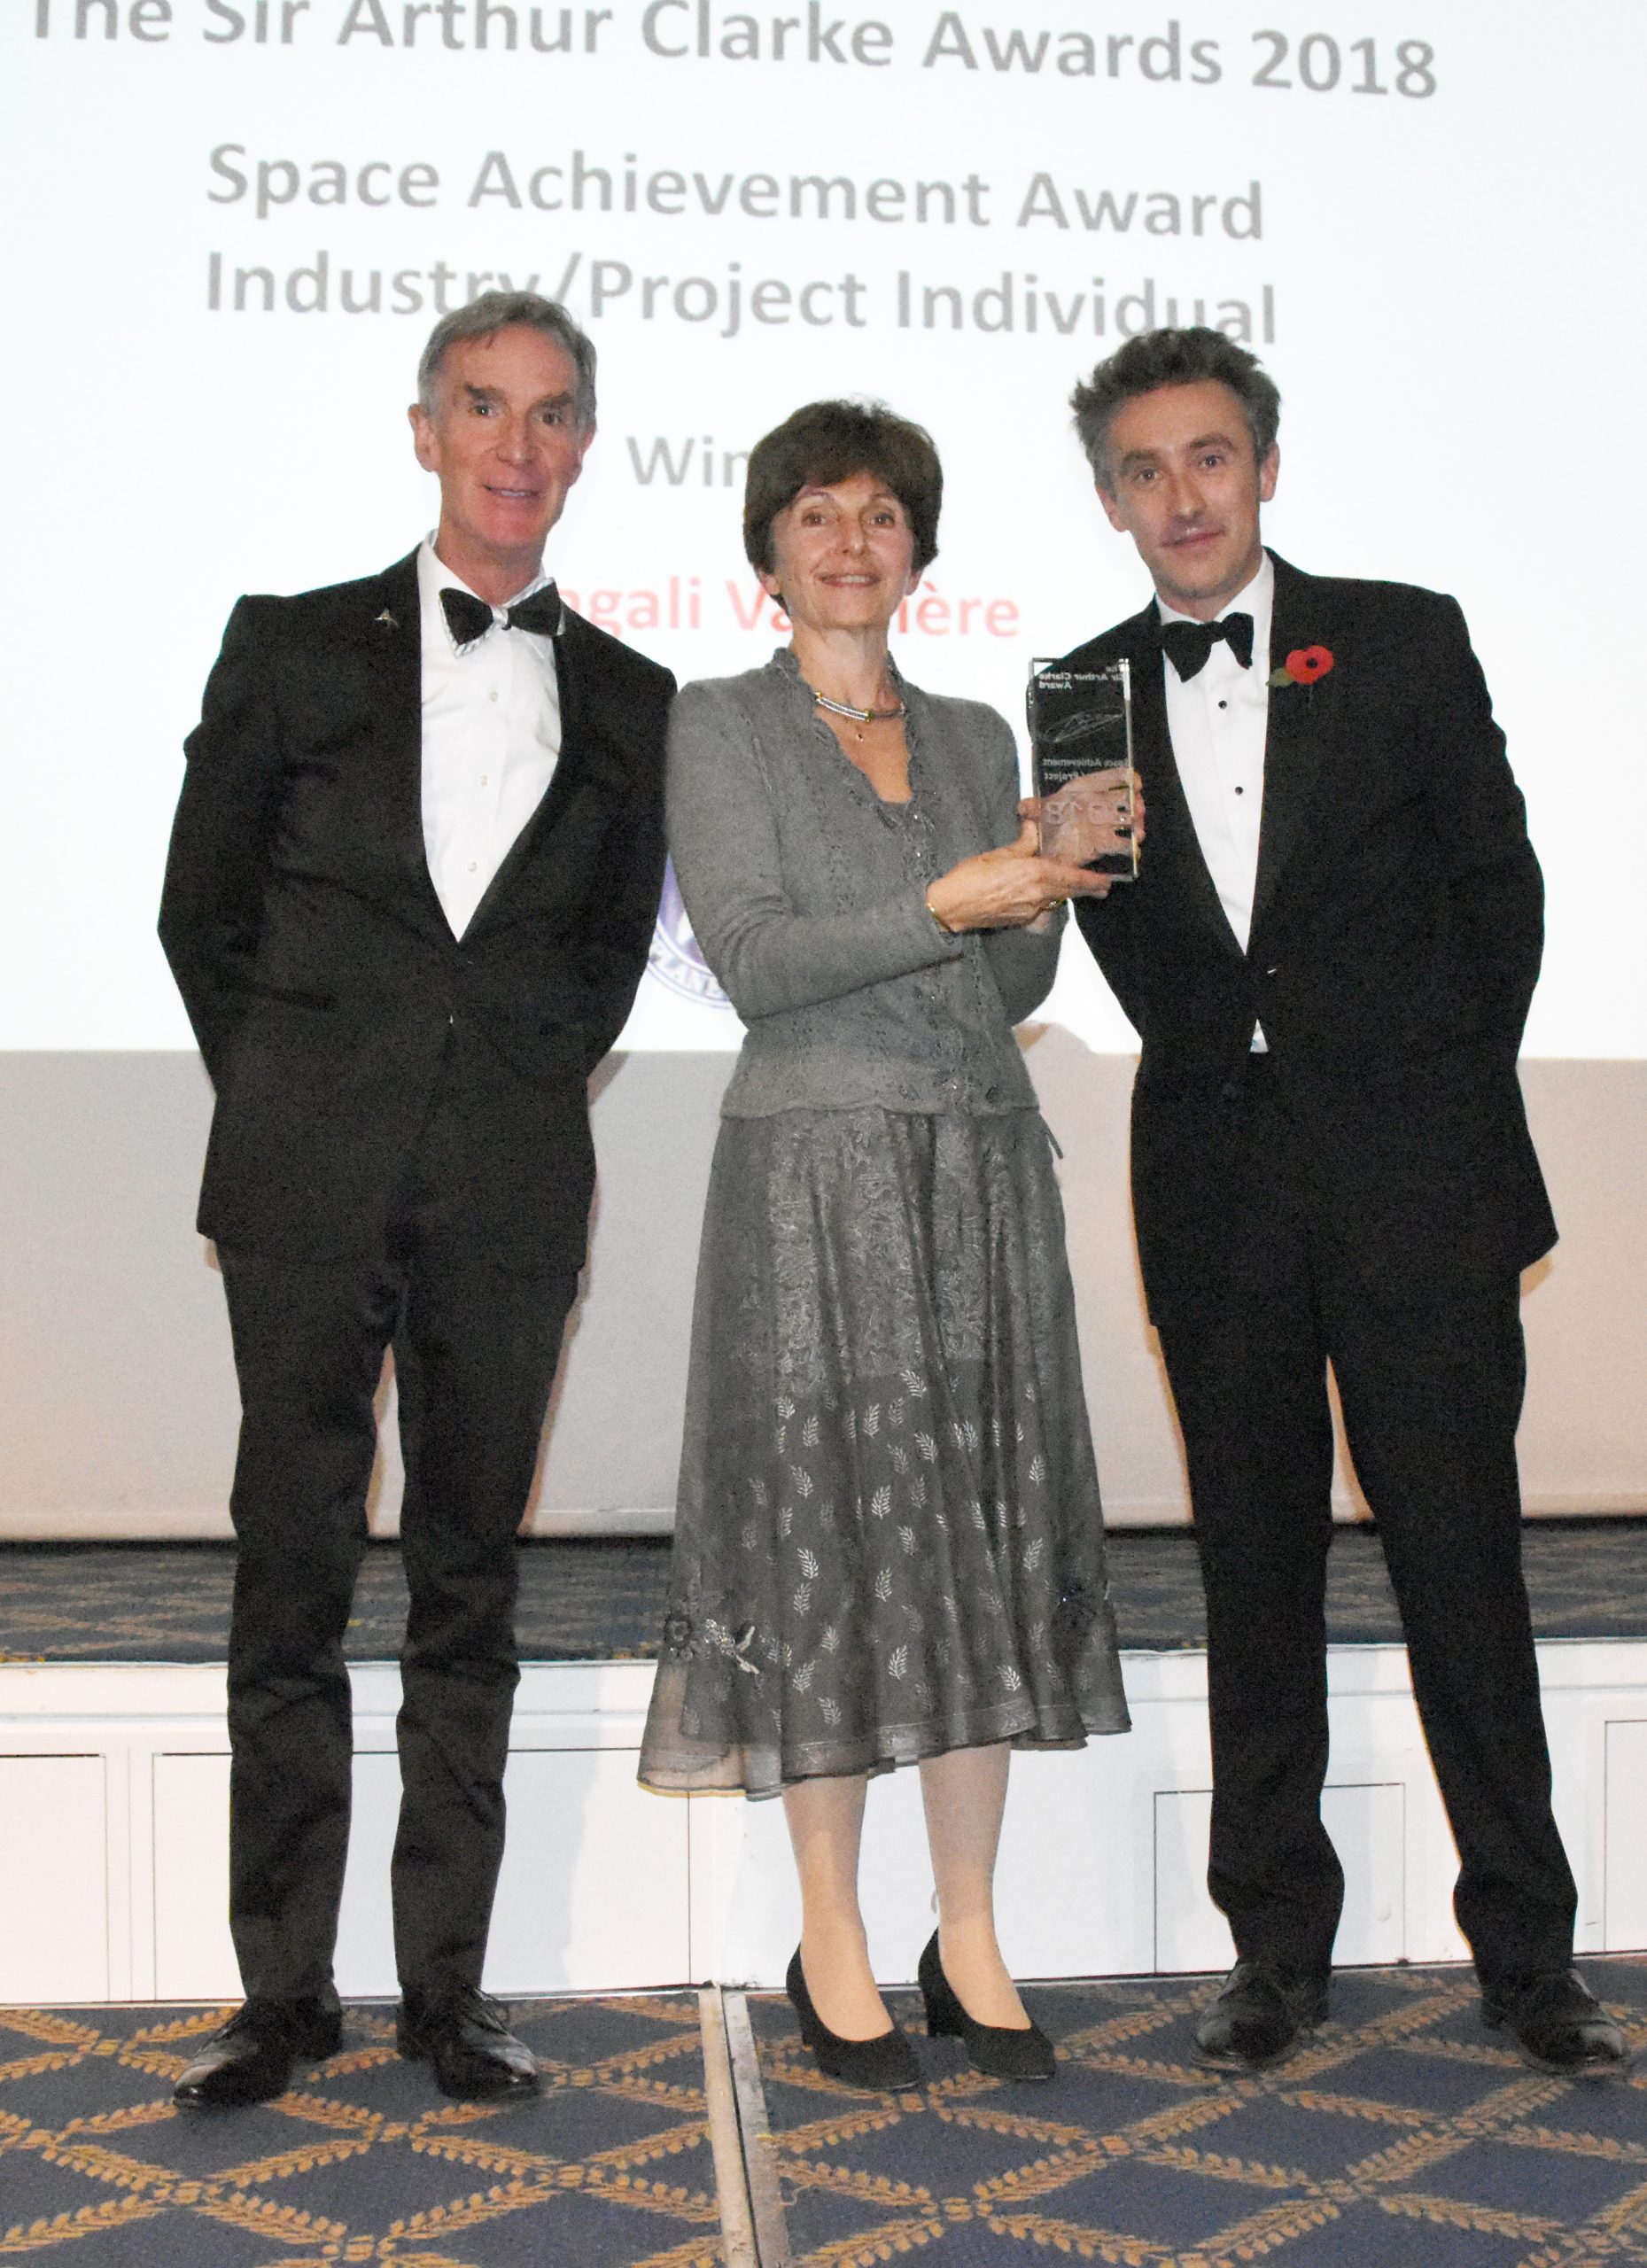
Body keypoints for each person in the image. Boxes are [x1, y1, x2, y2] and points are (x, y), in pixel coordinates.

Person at [1050, 327, 1628, 2078]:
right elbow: (1123, 933)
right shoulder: (1079, 688)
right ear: (1110, 499)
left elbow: (1498, 888)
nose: (1181, 495)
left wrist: (1424, 1098)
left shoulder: (1400, 633)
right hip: (1218, 1189)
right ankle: (1272, 1949)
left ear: (1265, 466)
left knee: (1464, 1566)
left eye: (1207, 456)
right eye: (1143, 470)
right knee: (1253, 1568)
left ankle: (1530, 1951)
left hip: (1419, 1181)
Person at [158, 292, 673, 2107]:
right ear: (425, 429)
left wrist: (493, 1090)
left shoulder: (632, 693)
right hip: (303, 1169)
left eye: (548, 414)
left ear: (584, 446)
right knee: (290, 1567)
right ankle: (279, 1988)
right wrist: (310, 1086)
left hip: (513, 1184)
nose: (515, 444)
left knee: (470, 1580)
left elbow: (606, 959)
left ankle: (445, 1991)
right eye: (482, 407)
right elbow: (199, 912)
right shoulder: (290, 647)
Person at [638, 400, 1131, 2089]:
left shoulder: (987, 732)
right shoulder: (716, 724)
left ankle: (969, 1929)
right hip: (815, 1191)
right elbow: (759, 959)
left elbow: (1007, 993)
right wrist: (951, 901)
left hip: (983, 1171)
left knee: (981, 1544)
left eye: (884, 516)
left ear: (921, 549)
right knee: (834, 1550)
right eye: (819, 514)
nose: (854, 541)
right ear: (769, 549)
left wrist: (1050, 882)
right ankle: (830, 1935)